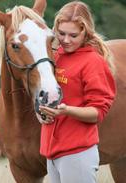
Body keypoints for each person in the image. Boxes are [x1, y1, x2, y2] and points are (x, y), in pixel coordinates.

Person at [37, 1, 116, 183]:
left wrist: (66, 111)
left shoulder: (92, 62)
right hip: (51, 152)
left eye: (73, 35)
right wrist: (42, 115)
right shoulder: (54, 57)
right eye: (61, 33)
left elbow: (98, 112)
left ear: (85, 32)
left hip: (77, 153)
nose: (65, 40)